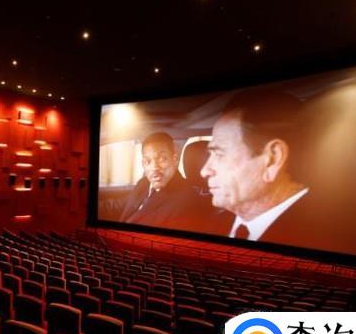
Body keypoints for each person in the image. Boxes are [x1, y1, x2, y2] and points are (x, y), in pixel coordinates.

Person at [199, 89, 319, 244]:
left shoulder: (319, 237)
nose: (204, 171)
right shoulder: (212, 222)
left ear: (272, 160)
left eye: (219, 154)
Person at [115, 132, 206, 229]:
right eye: (148, 161)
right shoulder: (144, 183)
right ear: (143, 163)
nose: (154, 167)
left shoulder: (187, 202)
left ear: (175, 160)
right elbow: (124, 204)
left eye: (162, 159)